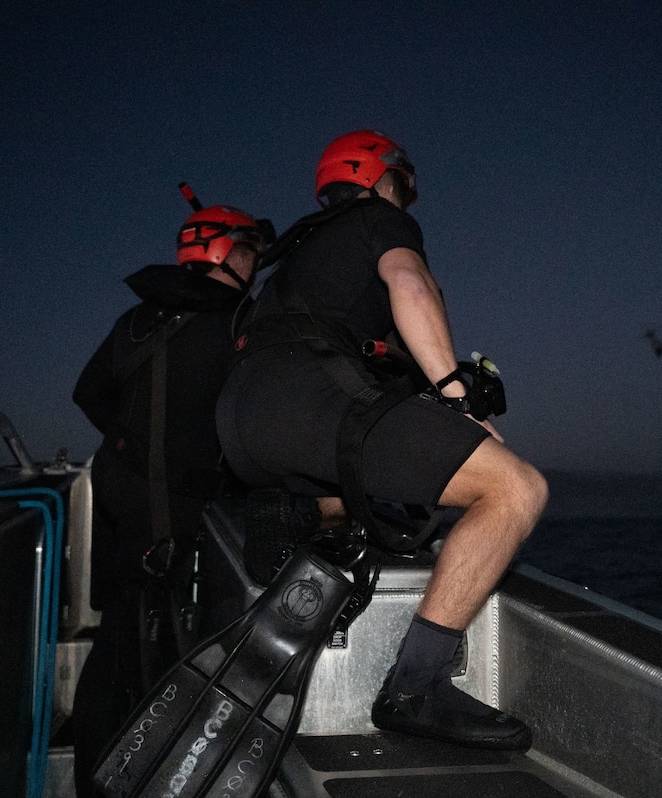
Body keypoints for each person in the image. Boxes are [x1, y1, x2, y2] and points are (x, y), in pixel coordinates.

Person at [215, 130, 548, 750]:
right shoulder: (379, 218)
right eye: (402, 185)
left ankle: (309, 528)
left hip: (241, 419)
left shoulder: (301, 252)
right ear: (379, 176)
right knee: (514, 490)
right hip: (305, 400)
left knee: (345, 464)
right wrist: (457, 397)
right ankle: (414, 690)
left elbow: (367, 352)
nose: (405, 198)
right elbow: (410, 286)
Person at [70, 201, 265, 797]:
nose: (255, 264)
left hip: (118, 491)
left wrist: (134, 447)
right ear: (224, 253)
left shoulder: (138, 317)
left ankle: (94, 781)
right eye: (249, 251)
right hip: (181, 507)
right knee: (187, 648)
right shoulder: (241, 321)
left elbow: (88, 392)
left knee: (119, 632)